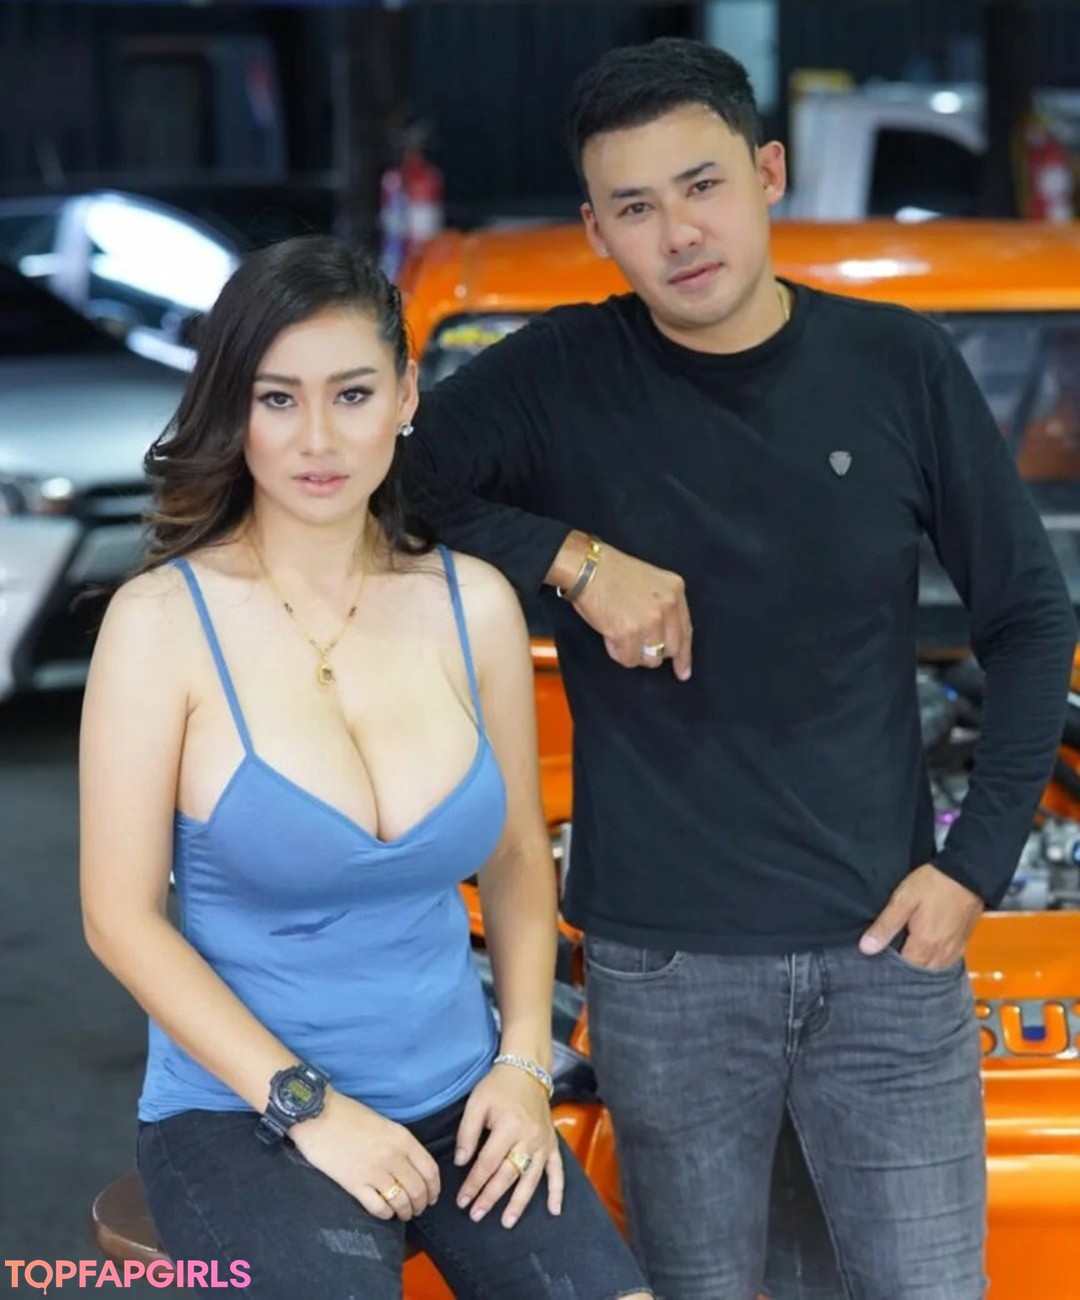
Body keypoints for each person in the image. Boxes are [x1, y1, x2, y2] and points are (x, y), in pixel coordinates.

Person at [404, 37, 1077, 1300]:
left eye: (703, 184)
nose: (679, 233)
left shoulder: (899, 365)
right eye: (635, 207)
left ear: (767, 173)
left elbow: (1032, 619)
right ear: (598, 230)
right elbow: (376, 490)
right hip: (665, 976)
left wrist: (975, 865)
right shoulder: (557, 374)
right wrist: (571, 560)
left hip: (890, 959)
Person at [78, 235, 653, 1300]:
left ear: (405, 396)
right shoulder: (160, 624)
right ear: (235, 410)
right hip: (244, 1111)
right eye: (278, 398)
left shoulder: (474, 603)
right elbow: (120, 918)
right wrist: (308, 1106)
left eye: (351, 394)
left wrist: (524, 1064)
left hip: (463, 1093)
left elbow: (516, 859)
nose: (318, 438)